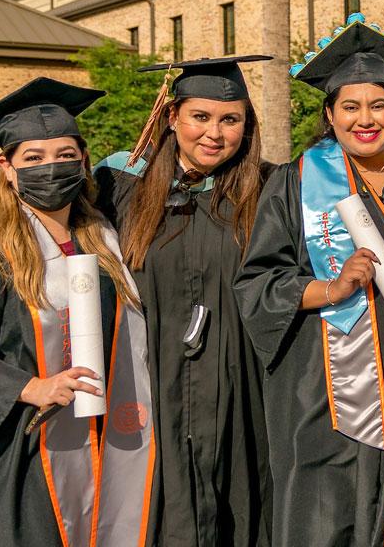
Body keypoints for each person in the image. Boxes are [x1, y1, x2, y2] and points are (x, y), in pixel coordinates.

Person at [233, 17, 384, 546]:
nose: (366, 119)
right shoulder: (293, 183)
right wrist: (331, 288)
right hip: (321, 385)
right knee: (321, 511)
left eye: (378, 105)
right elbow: (258, 281)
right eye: (351, 107)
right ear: (331, 116)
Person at [0, 78, 156, 546]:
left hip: (107, 434)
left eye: (64, 155)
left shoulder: (104, 236)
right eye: (33, 159)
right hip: (19, 448)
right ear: (6, 166)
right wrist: (30, 386)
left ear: (83, 159)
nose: (52, 168)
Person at [93, 56, 273, 547]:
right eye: (200, 116)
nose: (214, 133)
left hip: (240, 382)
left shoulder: (273, 189)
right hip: (149, 380)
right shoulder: (118, 187)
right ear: (172, 117)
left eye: (230, 119)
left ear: (246, 125)